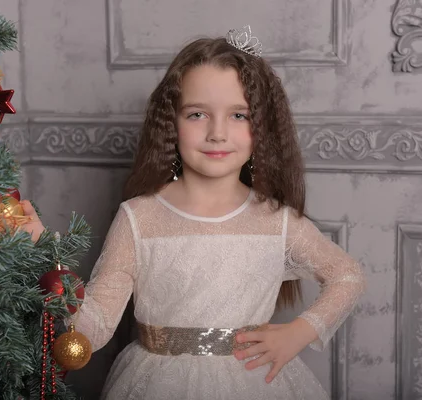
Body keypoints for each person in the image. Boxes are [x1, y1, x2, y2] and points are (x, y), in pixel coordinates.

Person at [21, 25, 366, 400]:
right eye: (198, 114)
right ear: (171, 123)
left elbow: (348, 275)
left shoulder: (276, 220)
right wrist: (46, 258)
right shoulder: (140, 217)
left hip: (256, 383)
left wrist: (300, 331)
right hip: (155, 384)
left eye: (239, 116)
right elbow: (95, 327)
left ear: (262, 127)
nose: (217, 133)